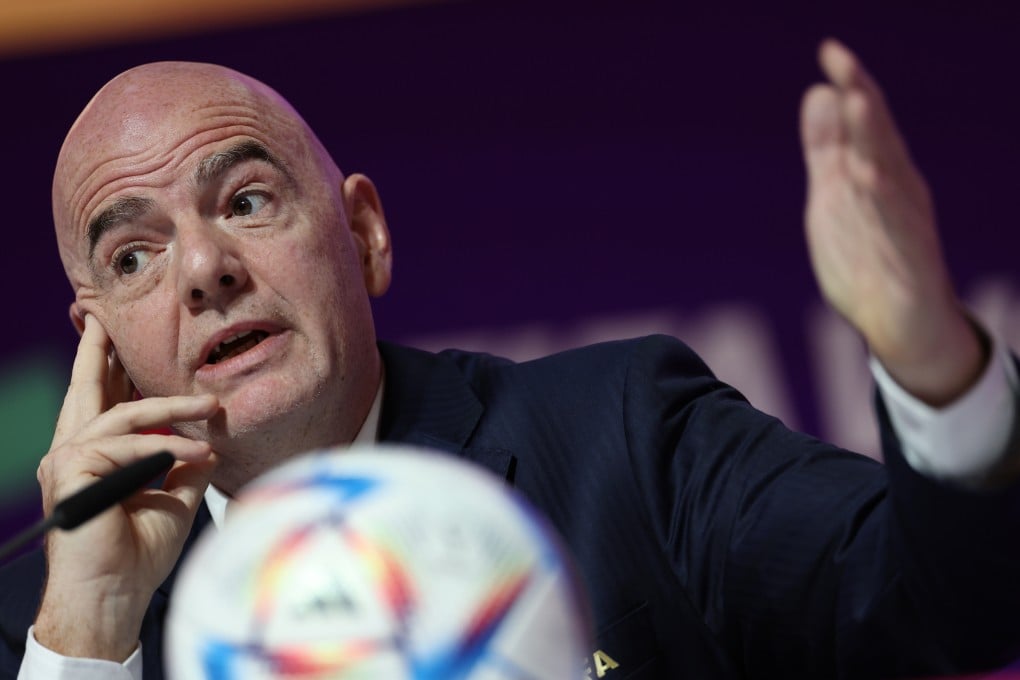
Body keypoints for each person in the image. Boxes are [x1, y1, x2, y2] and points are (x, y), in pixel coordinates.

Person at [0, 37, 1018, 679]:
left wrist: (935, 363)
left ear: (363, 235)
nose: (205, 269)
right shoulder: (43, 628)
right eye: (134, 254)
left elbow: (951, 607)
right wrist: (89, 634)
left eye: (247, 200)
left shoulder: (620, 437)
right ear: (103, 341)